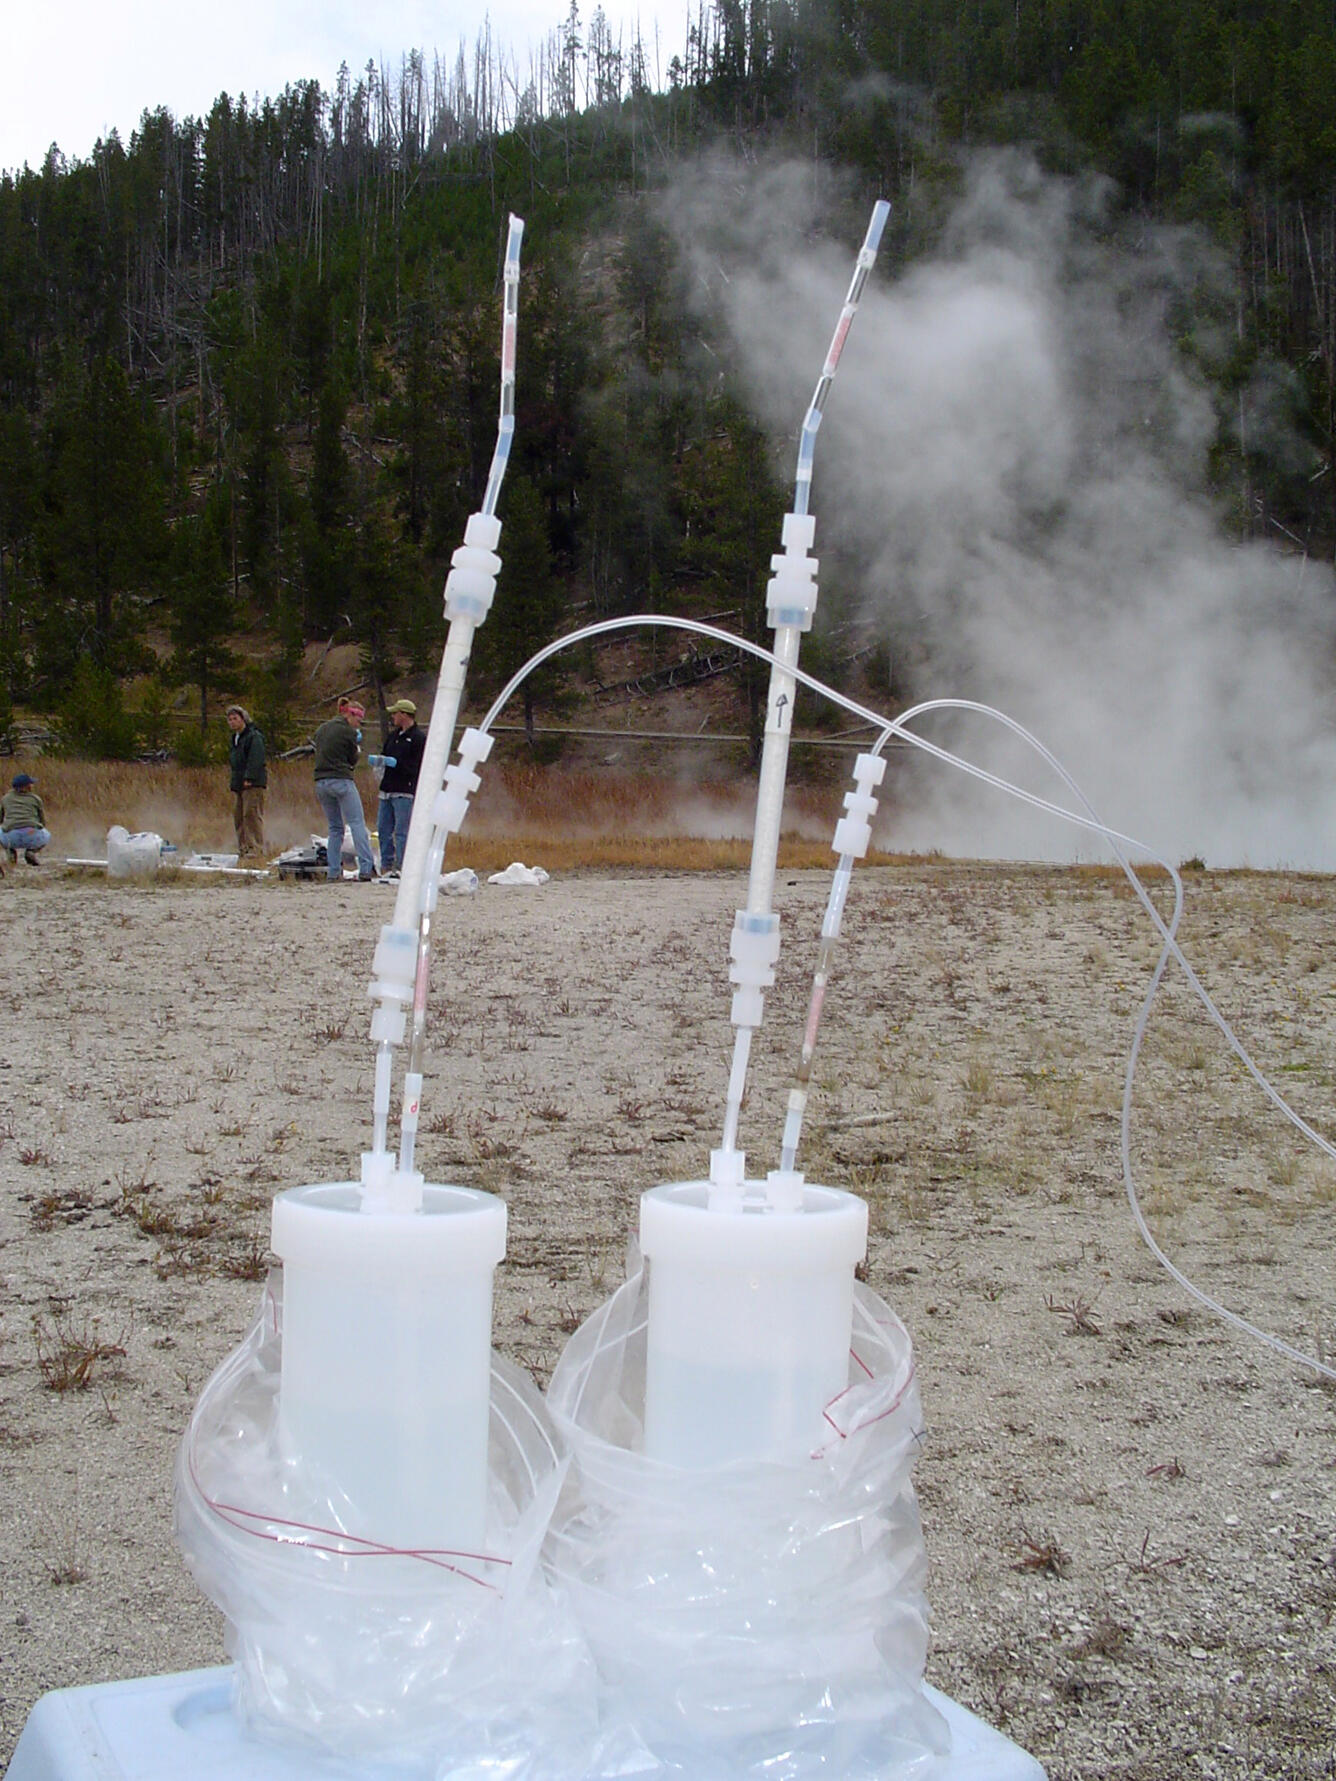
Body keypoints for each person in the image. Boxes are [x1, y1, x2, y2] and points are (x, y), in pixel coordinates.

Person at [312, 696, 375, 882]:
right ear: (350, 715)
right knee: (357, 823)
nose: (359, 725)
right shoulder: (349, 732)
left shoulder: (322, 728)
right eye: (359, 721)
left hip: (321, 781)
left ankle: (333, 871)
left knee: (335, 828)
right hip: (341, 780)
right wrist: (357, 748)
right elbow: (352, 759)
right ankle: (366, 868)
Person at [371, 698, 425, 879]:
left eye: (395, 713)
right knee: (383, 829)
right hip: (387, 789)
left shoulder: (418, 738)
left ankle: (403, 865)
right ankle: (386, 865)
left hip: (405, 790)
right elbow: (384, 756)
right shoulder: (393, 736)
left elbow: (419, 766)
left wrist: (398, 764)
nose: (392, 716)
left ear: (404, 714)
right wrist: (380, 762)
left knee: (402, 831)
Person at [225, 705, 267, 859]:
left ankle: (255, 848)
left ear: (243, 719)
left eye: (235, 718)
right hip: (239, 783)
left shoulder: (253, 736)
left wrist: (250, 778)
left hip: (253, 783)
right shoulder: (235, 738)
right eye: (229, 719)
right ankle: (243, 847)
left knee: (251, 815)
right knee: (239, 816)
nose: (232, 722)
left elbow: (256, 759)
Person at [0, 773, 52, 867]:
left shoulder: (5, 798)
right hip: (31, 834)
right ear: (27, 787)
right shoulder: (35, 799)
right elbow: (42, 820)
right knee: (47, 835)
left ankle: (11, 853)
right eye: (30, 784)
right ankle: (31, 851)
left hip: (11, 837)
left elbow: (0, 818)